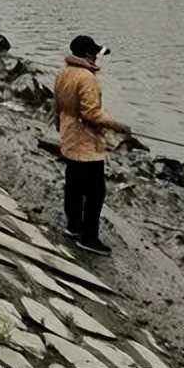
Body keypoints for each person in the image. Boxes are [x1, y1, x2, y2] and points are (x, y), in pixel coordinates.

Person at [52, 34, 130, 255]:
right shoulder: (87, 78)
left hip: (68, 138)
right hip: (85, 145)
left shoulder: (63, 71)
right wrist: (118, 126)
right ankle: (89, 238)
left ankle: (73, 226)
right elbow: (91, 113)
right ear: (87, 55)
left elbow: (56, 106)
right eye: (95, 54)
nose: (97, 58)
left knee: (74, 186)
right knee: (96, 193)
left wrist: (60, 129)